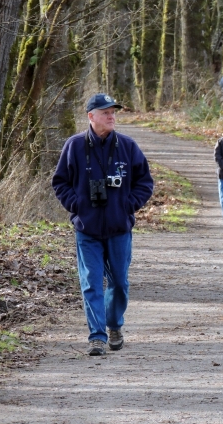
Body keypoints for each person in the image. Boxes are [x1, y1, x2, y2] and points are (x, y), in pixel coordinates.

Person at [51, 93, 153, 356]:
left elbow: (145, 182)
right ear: (91, 116)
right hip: (87, 229)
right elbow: (59, 182)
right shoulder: (74, 146)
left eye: (113, 112)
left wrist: (128, 205)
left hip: (119, 229)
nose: (111, 116)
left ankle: (114, 325)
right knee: (91, 283)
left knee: (119, 282)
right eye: (106, 112)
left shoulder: (128, 147)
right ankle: (96, 336)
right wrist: (77, 205)